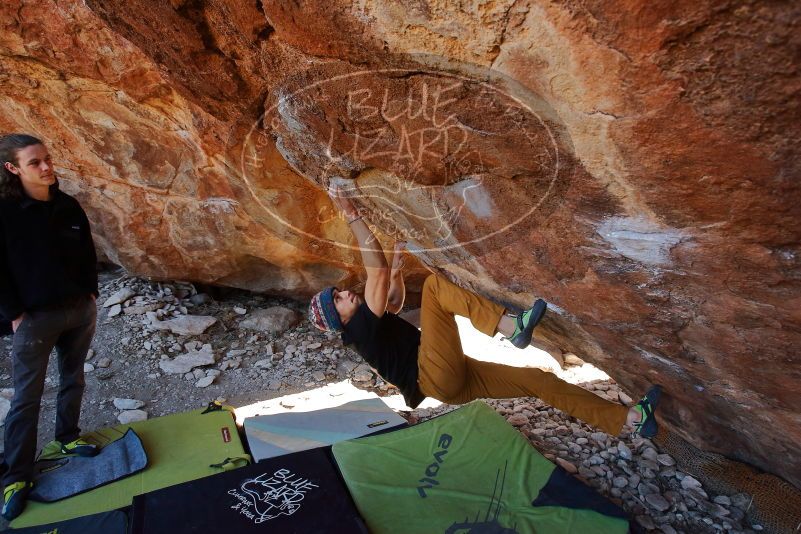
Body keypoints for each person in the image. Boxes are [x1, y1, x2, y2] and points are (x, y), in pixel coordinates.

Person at [309, 183, 661, 443]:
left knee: (539, 381)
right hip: (434, 376)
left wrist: (398, 273)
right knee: (434, 287)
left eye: (338, 292)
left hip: (451, 382)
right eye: (337, 299)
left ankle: (631, 419)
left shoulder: (366, 327)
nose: (344, 294)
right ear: (338, 319)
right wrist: (352, 213)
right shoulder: (357, 334)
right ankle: (510, 326)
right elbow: (378, 273)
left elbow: (393, 304)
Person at [0, 134, 100, 521]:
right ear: (13, 168)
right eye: (34, 163)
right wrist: (14, 311)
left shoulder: (67, 205)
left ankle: (67, 439)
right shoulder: (6, 212)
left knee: (73, 378)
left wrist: (90, 292)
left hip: (78, 310)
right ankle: (17, 475)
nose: (46, 168)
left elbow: (88, 251)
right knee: (27, 396)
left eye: (47, 159)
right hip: (35, 318)